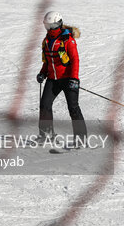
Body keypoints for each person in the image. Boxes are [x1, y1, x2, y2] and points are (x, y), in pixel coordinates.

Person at [36, 11, 87, 146]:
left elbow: (75, 60)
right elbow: (47, 61)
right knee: (44, 105)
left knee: (73, 108)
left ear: (57, 25)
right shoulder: (47, 40)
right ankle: (46, 134)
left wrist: (74, 79)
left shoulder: (67, 40)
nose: (48, 28)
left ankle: (81, 139)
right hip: (53, 79)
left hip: (68, 79)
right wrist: (43, 73)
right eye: (46, 26)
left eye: (50, 25)